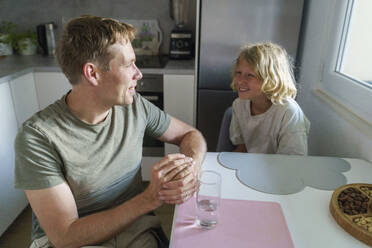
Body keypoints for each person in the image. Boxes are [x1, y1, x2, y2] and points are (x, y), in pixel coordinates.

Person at [14, 15, 206, 248]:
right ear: (93, 73)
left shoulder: (136, 106)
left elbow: (190, 135)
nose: (139, 74)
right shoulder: (38, 137)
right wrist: (150, 198)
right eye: (128, 64)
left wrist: (191, 167)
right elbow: (65, 236)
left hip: (134, 229)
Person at [229, 42, 310, 155]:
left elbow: (293, 161)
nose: (240, 81)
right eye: (239, 73)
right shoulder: (239, 105)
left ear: (272, 79)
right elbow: (242, 148)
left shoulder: (288, 112)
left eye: (250, 75)